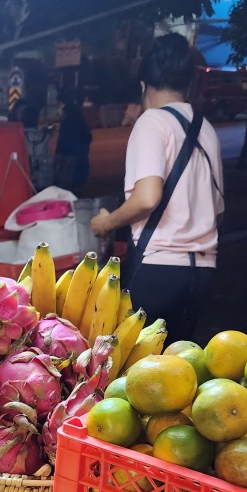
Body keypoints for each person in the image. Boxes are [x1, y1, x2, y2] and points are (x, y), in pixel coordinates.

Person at [91, 34, 224, 341]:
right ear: (188, 85)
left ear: (143, 86)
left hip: (158, 267)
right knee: (178, 360)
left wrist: (106, 223)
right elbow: (217, 212)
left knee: (131, 361)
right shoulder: (206, 128)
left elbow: (148, 197)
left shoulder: (152, 121)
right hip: (203, 271)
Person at [53, 99, 92, 196]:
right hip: (81, 165)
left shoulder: (66, 126)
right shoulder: (83, 127)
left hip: (68, 164)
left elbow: (62, 145)